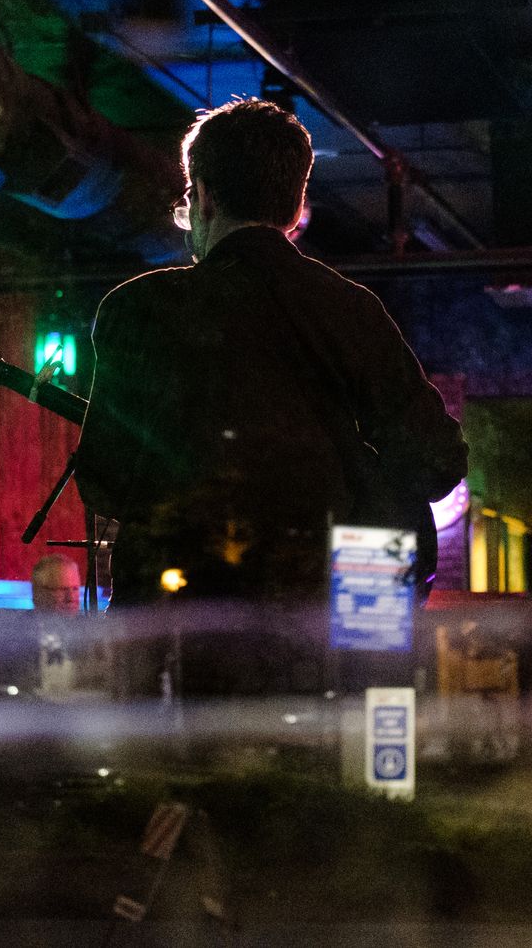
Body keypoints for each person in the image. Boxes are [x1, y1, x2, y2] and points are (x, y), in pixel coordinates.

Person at [75, 98, 466, 610]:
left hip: (178, 630)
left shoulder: (137, 308)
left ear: (205, 197)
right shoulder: (352, 310)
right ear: (295, 204)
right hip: (324, 630)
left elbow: (106, 480)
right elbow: (438, 461)